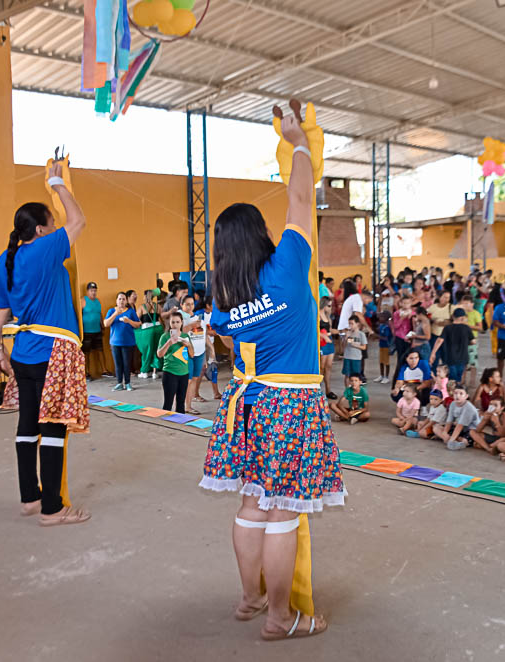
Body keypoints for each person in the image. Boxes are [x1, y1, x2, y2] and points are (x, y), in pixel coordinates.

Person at [200, 102, 340, 640]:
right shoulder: (286, 270)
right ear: (261, 237)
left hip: (246, 407)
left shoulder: (223, 299)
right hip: (291, 405)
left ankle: (249, 599)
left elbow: (231, 335)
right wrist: (297, 141)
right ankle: (282, 617)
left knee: (250, 503)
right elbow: (301, 198)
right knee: (282, 510)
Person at [0, 158, 91, 527]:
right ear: (41, 228)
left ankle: (29, 498)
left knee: (28, 425)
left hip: (24, 352)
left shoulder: (6, 259)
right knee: (54, 428)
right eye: (51, 221)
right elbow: (78, 221)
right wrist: (58, 184)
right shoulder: (46, 250)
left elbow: (0, 310)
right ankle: (53, 509)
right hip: (53, 352)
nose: (55, 227)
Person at [104, 291, 141, 391]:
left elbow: (138, 324)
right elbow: (106, 324)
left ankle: (128, 383)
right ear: (116, 301)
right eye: (119, 299)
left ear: (126, 301)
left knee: (127, 363)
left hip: (128, 342)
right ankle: (119, 383)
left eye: (123, 299)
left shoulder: (130, 312)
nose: (121, 301)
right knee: (118, 364)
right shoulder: (111, 311)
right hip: (115, 342)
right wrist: (116, 313)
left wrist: (129, 321)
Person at [158, 313, 192, 414]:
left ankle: (180, 425)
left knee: (181, 403)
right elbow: (159, 354)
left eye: (178, 322)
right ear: (169, 323)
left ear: (181, 323)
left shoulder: (185, 336)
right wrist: (169, 343)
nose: (175, 325)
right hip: (170, 372)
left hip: (184, 373)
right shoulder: (164, 336)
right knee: (168, 403)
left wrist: (189, 345)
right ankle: (165, 425)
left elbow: (192, 355)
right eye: (173, 322)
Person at [179, 295, 208, 414]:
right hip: (186, 352)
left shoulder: (198, 318)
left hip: (199, 352)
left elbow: (204, 337)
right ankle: (181, 405)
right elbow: (178, 331)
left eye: (192, 304)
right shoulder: (179, 317)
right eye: (187, 304)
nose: (190, 306)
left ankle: (188, 406)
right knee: (187, 380)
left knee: (194, 379)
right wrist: (191, 325)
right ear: (182, 305)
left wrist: (208, 355)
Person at [431, 308, 474, 383]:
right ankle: (459, 390)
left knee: (451, 379)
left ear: (453, 317)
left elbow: (439, 340)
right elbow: (473, 341)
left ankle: (452, 391)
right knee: (459, 378)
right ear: (463, 317)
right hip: (463, 357)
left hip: (450, 358)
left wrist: (433, 353)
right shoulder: (466, 328)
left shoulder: (447, 328)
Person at [436, 384, 480, 450]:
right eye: (455, 393)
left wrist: (451, 440)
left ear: (466, 396)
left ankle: (452, 441)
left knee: (465, 440)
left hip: (469, 430)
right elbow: (449, 421)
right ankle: (453, 440)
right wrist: (445, 432)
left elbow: (460, 425)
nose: (457, 396)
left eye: (461, 393)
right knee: (436, 427)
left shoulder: (469, 408)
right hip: (457, 428)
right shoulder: (452, 404)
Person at [135, 288, 164, 379]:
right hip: (158, 329)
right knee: (156, 349)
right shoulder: (158, 306)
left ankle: (144, 371)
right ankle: (155, 373)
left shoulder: (142, 307)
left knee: (147, 351)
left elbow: (136, 320)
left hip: (147, 331)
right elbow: (161, 318)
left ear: (144, 296)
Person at [80, 282, 106, 379]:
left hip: (97, 330)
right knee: (86, 353)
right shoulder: (83, 300)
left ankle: (104, 370)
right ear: (87, 291)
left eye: (95, 290)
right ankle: (86, 373)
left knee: (100, 350)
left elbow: (100, 314)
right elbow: (79, 315)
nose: (93, 293)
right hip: (86, 331)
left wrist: (102, 326)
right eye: (91, 291)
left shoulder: (98, 301)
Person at [318, 297, 337, 400]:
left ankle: (328, 390)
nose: (330, 308)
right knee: (321, 367)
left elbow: (329, 330)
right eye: (329, 306)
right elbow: (315, 330)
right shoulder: (317, 315)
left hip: (329, 340)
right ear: (323, 305)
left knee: (328, 367)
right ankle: (318, 390)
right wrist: (323, 336)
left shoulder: (327, 316)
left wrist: (340, 331)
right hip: (323, 342)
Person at [340, 316, 367, 381]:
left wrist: (355, 345)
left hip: (356, 357)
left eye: (352, 323)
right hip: (347, 356)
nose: (350, 325)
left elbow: (364, 347)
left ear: (357, 324)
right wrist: (346, 337)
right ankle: (347, 390)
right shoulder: (348, 333)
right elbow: (344, 346)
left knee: (356, 375)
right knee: (347, 375)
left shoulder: (361, 334)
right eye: (349, 323)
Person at [376, 311, 394, 383]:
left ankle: (386, 377)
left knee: (386, 362)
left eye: (382, 317)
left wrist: (377, 336)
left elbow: (386, 338)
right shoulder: (381, 325)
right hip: (381, 346)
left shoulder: (387, 327)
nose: (380, 318)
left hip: (386, 346)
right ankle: (381, 375)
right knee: (381, 361)